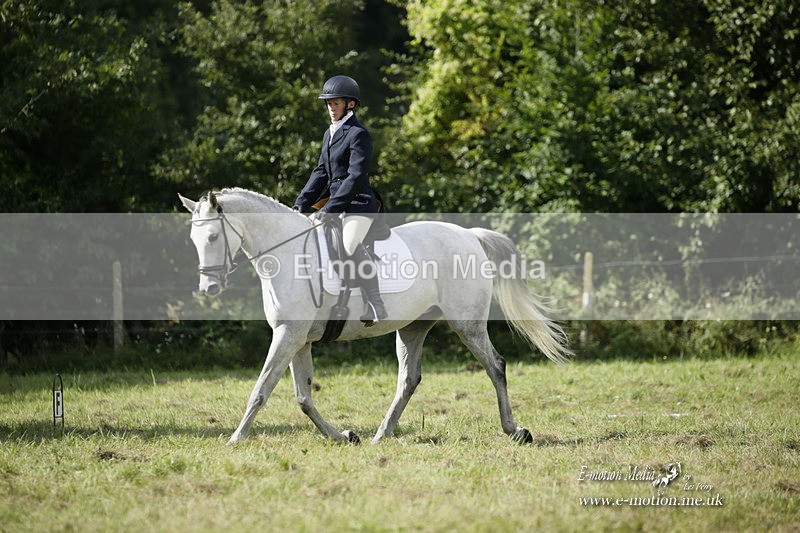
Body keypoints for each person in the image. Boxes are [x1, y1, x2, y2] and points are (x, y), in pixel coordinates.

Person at [292, 75, 388, 325]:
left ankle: (376, 304)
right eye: (328, 104)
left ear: (350, 105)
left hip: (358, 205)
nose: (331, 108)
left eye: (335, 103)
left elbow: (356, 176)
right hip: (335, 204)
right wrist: (299, 204)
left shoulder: (358, 134)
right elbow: (321, 172)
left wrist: (331, 208)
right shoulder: (329, 134)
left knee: (348, 243)